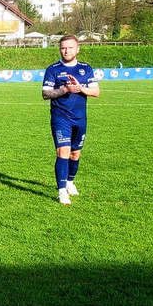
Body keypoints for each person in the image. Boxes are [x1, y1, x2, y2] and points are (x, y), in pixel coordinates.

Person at [42, 35, 100, 206]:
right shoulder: (53, 69)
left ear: (77, 49)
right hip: (60, 117)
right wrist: (65, 89)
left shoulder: (85, 68)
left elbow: (96, 92)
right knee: (63, 151)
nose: (66, 51)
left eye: (70, 47)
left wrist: (80, 88)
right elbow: (45, 94)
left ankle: (69, 182)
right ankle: (61, 192)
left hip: (80, 118)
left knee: (75, 153)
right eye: (63, 48)